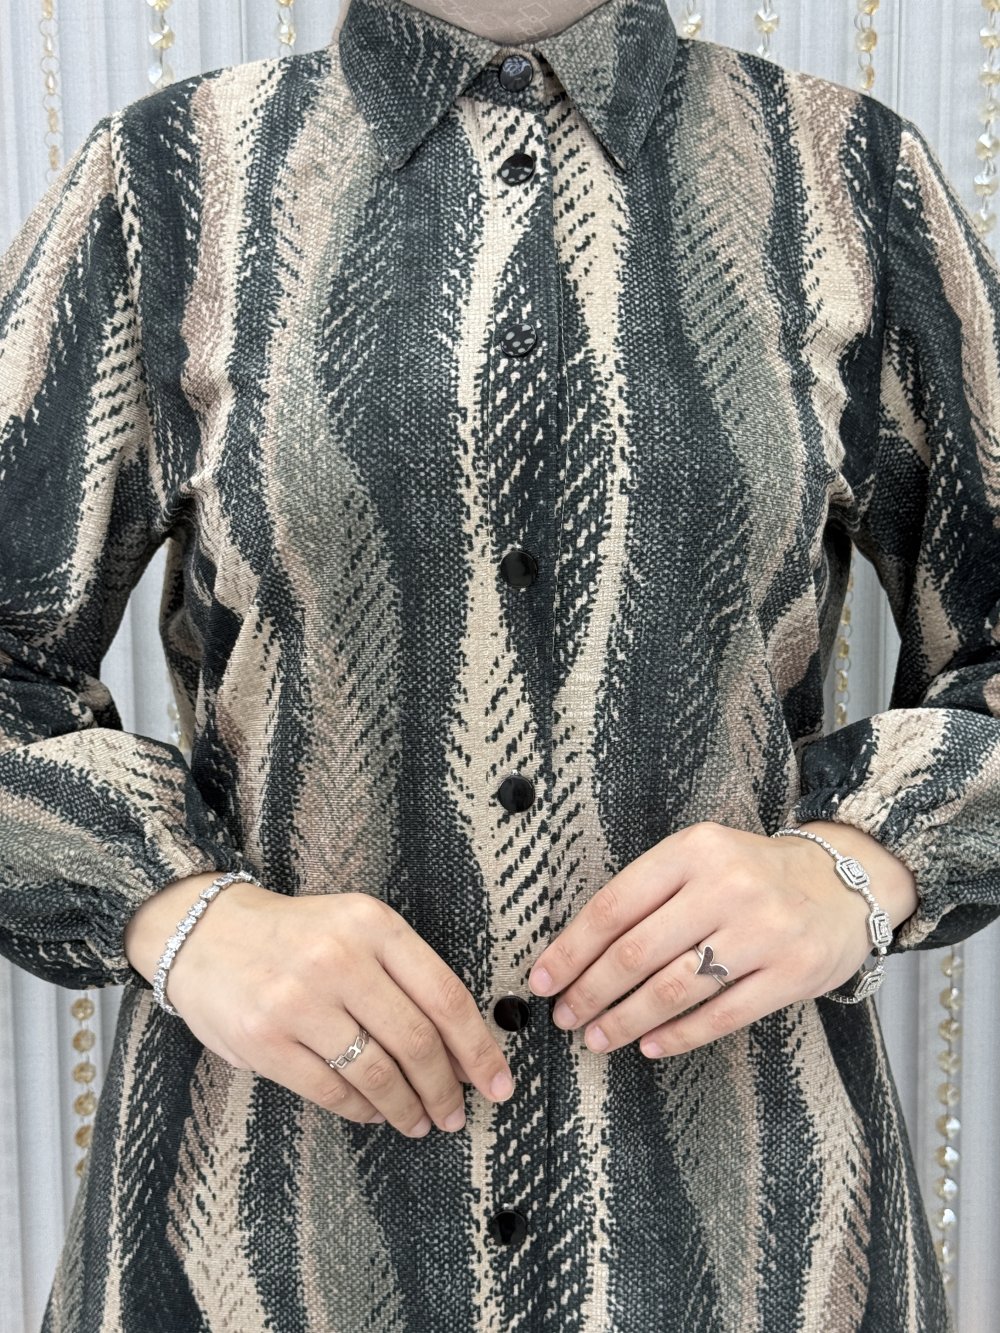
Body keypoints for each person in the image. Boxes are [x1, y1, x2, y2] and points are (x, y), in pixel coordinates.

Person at [1, 0, 997, 1327]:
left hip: (752, 1249)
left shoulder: (844, 174)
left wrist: (863, 862)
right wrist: (178, 914)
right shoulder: (171, 179)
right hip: (261, 1248)